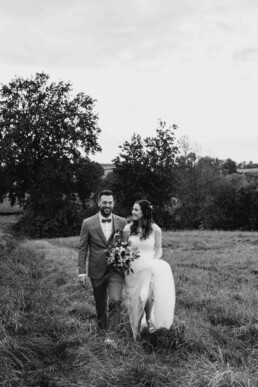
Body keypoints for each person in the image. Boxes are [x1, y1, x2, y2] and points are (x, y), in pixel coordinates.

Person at [78, 190, 126, 343]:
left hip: (115, 269)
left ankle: (112, 338)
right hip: (96, 269)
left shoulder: (122, 222)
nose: (107, 205)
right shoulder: (87, 223)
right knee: (100, 305)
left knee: (115, 300)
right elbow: (82, 248)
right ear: (98, 203)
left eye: (110, 202)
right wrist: (82, 273)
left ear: (113, 203)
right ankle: (102, 332)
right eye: (104, 202)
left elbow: (127, 245)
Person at [123, 199, 175, 340]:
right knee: (133, 300)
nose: (133, 212)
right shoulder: (127, 229)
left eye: (136, 210)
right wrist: (124, 260)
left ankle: (149, 317)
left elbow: (158, 249)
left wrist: (155, 263)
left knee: (144, 295)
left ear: (144, 212)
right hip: (132, 269)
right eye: (132, 209)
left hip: (148, 266)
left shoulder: (155, 229)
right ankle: (136, 331)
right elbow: (123, 249)